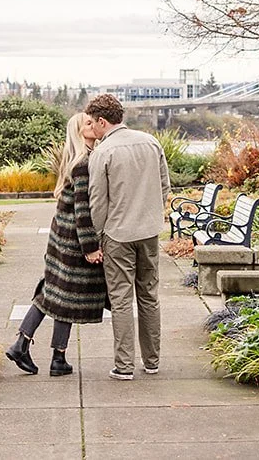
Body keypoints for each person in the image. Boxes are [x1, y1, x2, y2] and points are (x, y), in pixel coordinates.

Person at [4, 112, 107, 376]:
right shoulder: (83, 163)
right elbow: (82, 211)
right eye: (88, 123)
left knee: (59, 295)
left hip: (60, 239)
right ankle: (38, 350)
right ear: (79, 132)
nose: (94, 124)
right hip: (73, 242)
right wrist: (90, 248)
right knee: (62, 296)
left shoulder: (73, 160)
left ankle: (39, 350)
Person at [84, 93, 169, 380]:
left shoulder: (102, 152)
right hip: (149, 231)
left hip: (118, 234)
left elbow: (98, 201)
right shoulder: (151, 142)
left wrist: (97, 237)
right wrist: (153, 216)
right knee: (149, 295)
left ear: (102, 121)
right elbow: (164, 187)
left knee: (121, 299)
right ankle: (153, 361)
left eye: (93, 124)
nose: (92, 129)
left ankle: (124, 366)